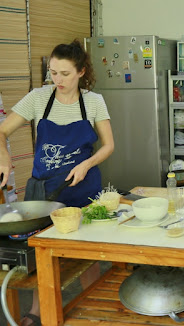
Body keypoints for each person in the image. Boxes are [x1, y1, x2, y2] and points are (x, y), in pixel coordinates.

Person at [0, 39, 114, 326]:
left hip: (83, 190)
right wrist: (3, 157)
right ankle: (37, 313)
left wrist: (86, 164)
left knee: (86, 255)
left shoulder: (93, 101)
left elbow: (109, 145)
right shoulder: (39, 98)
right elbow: (1, 132)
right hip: (45, 193)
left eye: (64, 73)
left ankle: (90, 309)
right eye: (53, 72)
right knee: (42, 257)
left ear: (81, 72)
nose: (57, 79)